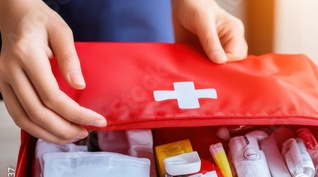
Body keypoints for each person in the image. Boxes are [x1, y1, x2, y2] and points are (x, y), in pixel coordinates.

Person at [0, 0, 248, 144]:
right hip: (35, 13)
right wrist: (14, 8)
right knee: (43, 92)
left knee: (151, 106)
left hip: (138, 11)